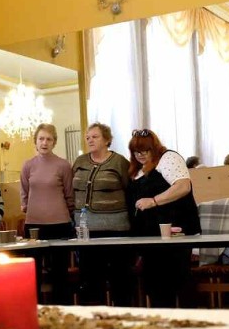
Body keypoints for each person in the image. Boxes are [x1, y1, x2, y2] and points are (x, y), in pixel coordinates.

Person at [127, 128, 200, 307]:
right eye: (136, 151)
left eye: (145, 150)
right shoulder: (136, 170)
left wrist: (153, 201)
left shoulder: (168, 158)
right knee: (155, 284)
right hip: (149, 237)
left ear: (154, 147)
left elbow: (183, 187)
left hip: (173, 232)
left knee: (178, 279)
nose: (140, 155)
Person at [71, 123, 132, 305]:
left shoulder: (119, 162)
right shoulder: (80, 161)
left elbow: (130, 191)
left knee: (119, 279)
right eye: (87, 137)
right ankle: (94, 320)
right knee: (90, 279)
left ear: (107, 140)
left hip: (116, 230)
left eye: (95, 136)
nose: (90, 140)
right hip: (86, 231)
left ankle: (123, 317)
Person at [20, 123, 74, 304]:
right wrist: (31, 208)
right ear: (35, 141)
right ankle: (34, 310)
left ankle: (64, 310)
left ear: (54, 142)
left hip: (60, 224)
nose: (44, 142)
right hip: (34, 225)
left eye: (49, 139)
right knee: (32, 270)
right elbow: (24, 194)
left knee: (60, 272)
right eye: (41, 138)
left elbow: (69, 195)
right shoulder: (28, 165)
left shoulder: (64, 165)